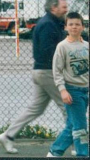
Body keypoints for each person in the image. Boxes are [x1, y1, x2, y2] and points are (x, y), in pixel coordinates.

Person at [0, 0, 68, 154]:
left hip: (41, 71)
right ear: (53, 7)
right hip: (48, 72)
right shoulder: (49, 25)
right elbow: (48, 51)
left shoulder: (51, 22)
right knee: (67, 106)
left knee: (36, 108)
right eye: (63, 7)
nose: (66, 10)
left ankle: (8, 135)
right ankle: (77, 142)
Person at [47, 12, 88, 157]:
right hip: (72, 91)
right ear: (66, 27)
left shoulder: (87, 46)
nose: (74, 27)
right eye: (71, 24)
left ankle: (55, 151)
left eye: (77, 24)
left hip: (85, 91)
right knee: (81, 127)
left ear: (83, 27)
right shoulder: (62, 46)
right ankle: (83, 154)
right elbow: (56, 71)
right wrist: (63, 90)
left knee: (73, 124)